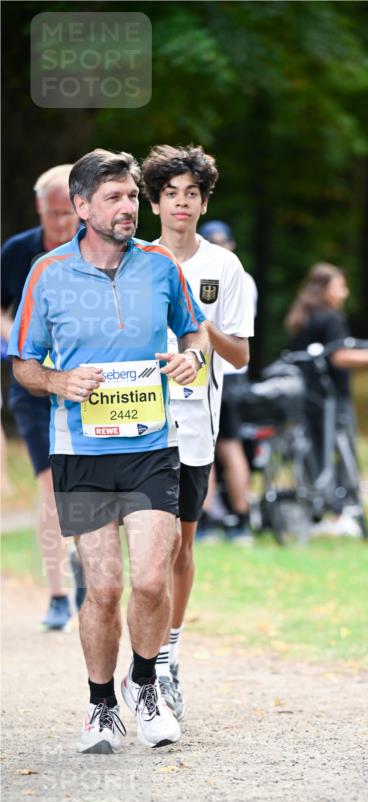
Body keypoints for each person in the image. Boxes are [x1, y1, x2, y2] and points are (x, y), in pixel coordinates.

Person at [9, 148, 208, 754]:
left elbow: (194, 329)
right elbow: (22, 364)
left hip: (152, 443)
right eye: (115, 199)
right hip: (81, 450)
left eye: (130, 197)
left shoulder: (159, 265)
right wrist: (56, 381)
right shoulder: (46, 273)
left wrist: (192, 356)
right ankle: (100, 708)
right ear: (80, 207)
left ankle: (144, 685)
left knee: (151, 579)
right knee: (106, 586)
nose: (129, 209)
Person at [141, 147, 254, 718]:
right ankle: (148, 664)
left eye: (192, 194)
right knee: (149, 550)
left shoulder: (225, 269)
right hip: (137, 424)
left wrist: (201, 328)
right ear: (154, 201)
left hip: (195, 425)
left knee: (182, 546)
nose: (181, 203)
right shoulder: (132, 260)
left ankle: (169, 656)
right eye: (171, 193)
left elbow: (238, 355)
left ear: (203, 202)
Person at [1, 164, 83, 628]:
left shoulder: (100, 248)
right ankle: (57, 594)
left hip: (88, 386)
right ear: (40, 207)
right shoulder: (16, 252)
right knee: (51, 487)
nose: (60, 223)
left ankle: (91, 582)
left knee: (90, 489)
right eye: (52, 213)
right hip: (33, 386)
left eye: (67, 213)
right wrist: (19, 338)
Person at [284, 262, 368, 536]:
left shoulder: (301, 316)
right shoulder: (331, 318)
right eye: (340, 286)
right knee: (342, 453)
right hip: (332, 398)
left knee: (314, 454)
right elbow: (339, 356)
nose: (345, 292)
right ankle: (341, 511)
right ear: (326, 288)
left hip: (306, 397)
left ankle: (315, 511)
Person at [198, 219, 256, 544]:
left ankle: (208, 518)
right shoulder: (245, 279)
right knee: (230, 448)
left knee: (209, 449)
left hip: (218, 372)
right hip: (235, 376)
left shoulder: (225, 276)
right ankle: (240, 517)